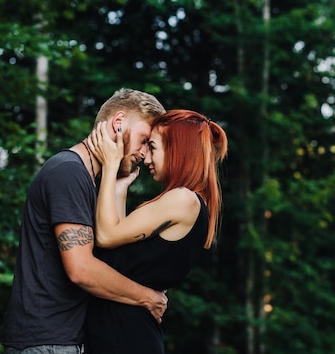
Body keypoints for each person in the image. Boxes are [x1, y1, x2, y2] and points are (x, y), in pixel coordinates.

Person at [2, 88, 169, 354]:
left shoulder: (88, 181)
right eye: (144, 140)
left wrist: (117, 187)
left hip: (63, 340)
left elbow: (115, 255)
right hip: (47, 342)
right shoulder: (69, 172)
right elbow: (81, 268)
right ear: (118, 123)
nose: (144, 154)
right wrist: (147, 298)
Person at [84, 109, 228, 354]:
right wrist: (119, 188)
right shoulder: (189, 203)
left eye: (153, 147)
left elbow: (106, 236)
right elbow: (118, 241)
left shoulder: (183, 200)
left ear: (176, 150)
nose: (146, 158)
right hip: (124, 332)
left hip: (126, 338)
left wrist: (109, 165)